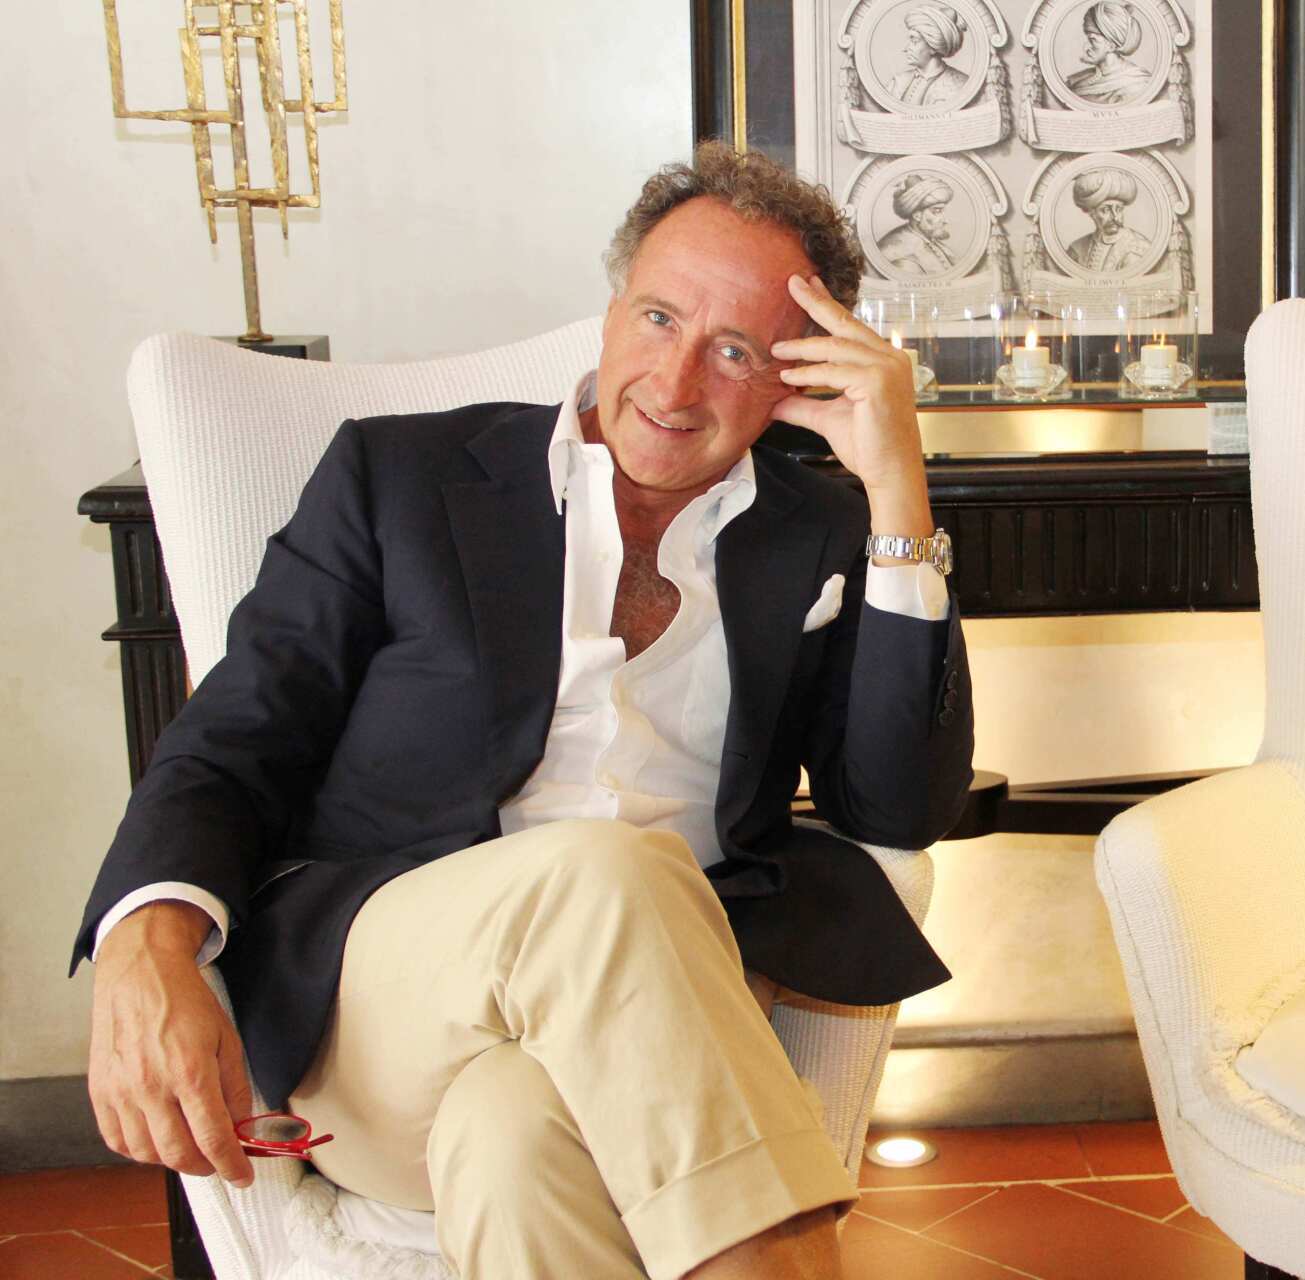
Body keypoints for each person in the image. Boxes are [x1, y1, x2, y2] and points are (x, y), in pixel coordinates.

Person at [73, 141, 974, 1280]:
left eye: (735, 350)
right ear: (611, 309)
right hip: (384, 1013)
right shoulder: (401, 477)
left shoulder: (820, 531)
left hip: (643, 1031)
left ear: (798, 376)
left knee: (514, 1142)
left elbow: (896, 807)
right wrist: (145, 939)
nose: (675, 383)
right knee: (607, 870)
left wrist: (897, 489)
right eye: (658, 318)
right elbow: (235, 735)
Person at [1065, 1, 1156, 105]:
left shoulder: (1137, 85)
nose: (1086, 47)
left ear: (1111, 46)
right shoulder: (1077, 79)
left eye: (1092, 40)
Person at [1065, 167, 1154, 274]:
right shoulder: (1077, 249)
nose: (1115, 217)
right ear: (1091, 213)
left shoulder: (1140, 249)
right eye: (1106, 210)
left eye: (1119, 209)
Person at [886, 3, 970, 107]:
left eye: (914, 41)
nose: (906, 49)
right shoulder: (898, 82)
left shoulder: (961, 85)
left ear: (933, 47)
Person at [875, 173, 958, 276]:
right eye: (937, 211)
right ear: (917, 216)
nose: (945, 220)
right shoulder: (902, 258)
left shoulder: (929, 239)